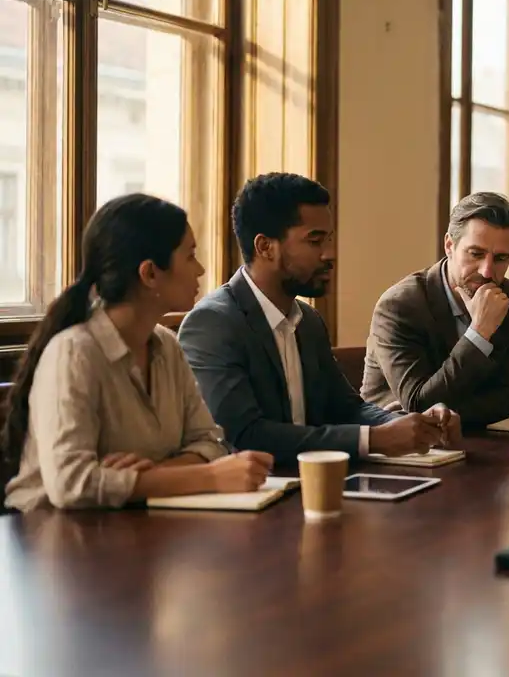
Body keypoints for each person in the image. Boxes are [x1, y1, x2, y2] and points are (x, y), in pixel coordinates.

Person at [3, 194, 273, 512]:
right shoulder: (74, 353)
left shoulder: (167, 346)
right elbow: (72, 485)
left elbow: (211, 442)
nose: (200, 269)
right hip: (51, 539)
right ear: (150, 274)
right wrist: (208, 477)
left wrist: (154, 474)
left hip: (130, 530)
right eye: (190, 256)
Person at [177, 173, 455, 465]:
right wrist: (375, 439)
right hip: (253, 495)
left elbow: (347, 409)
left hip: (317, 485)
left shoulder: (308, 321)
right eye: (315, 240)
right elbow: (243, 436)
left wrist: (417, 425)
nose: (330, 254)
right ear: (265, 247)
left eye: (330, 239)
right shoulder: (212, 324)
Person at [360, 192, 509, 427]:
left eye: (500, 258)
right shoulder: (400, 305)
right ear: (449, 245)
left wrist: (441, 414)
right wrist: (479, 333)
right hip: (396, 449)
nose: (487, 271)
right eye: (476, 254)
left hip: (475, 442)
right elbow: (419, 404)